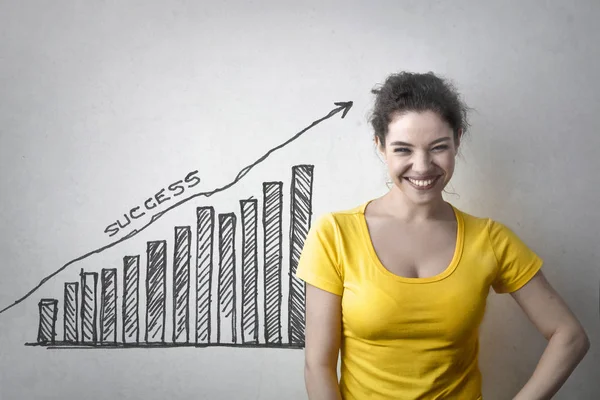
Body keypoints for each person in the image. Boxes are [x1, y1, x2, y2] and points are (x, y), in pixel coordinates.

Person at [296, 71, 590, 400]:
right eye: (403, 149)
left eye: (438, 147)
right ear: (380, 145)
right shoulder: (334, 234)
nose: (422, 167)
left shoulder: (490, 239)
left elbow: (570, 336)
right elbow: (318, 365)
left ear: (458, 140)